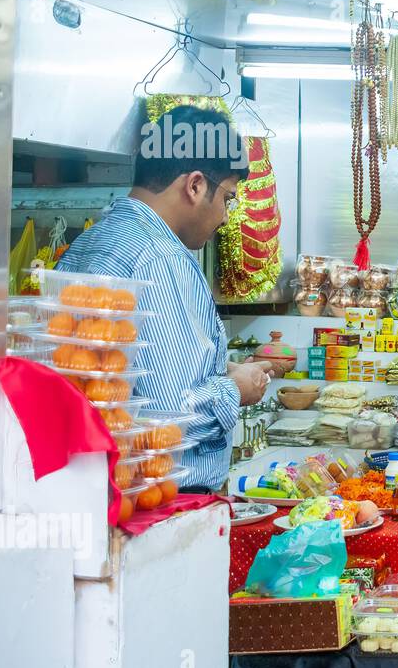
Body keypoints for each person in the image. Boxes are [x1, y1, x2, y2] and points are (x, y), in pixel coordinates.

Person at [59, 104, 271, 492]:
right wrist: (235, 388)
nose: (226, 217)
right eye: (228, 198)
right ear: (194, 186)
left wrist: (223, 371)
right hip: (161, 498)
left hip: (98, 487)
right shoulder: (161, 259)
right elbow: (168, 415)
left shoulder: (88, 243)